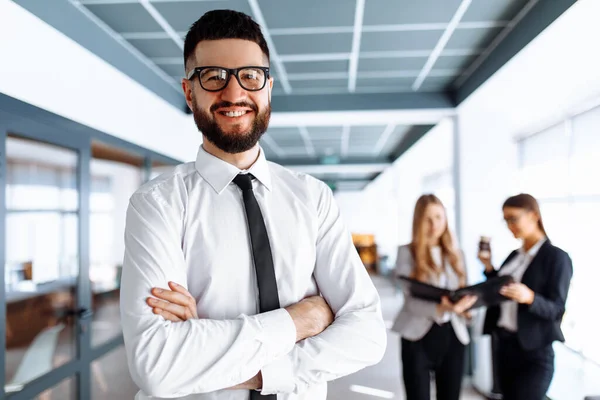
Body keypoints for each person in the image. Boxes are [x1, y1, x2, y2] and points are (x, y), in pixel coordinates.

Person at [119, 9, 386, 400]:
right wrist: (299, 321)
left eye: (250, 75)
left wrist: (220, 358)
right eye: (213, 77)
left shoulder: (313, 198)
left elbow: (367, 334)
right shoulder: (157, 203)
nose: (233, 93)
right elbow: (158, 365)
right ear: (188, 91)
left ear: (268, 86)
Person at [479, 194, 573, 400]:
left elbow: (557, 309)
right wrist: (488, 267)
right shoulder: (515, 256)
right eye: (506, 220)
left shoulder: (556, 258)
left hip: (534, 353)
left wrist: (530, 297)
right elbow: (500, 290)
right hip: (505, 345)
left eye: (513, 218)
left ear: (534, 215)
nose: (510, 225)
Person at [391, 194, 476, 400]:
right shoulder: (406, 252)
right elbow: (410, 301)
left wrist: (467, 306)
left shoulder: (458, 255)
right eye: (428, 219)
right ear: (418, 221)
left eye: (439, 217)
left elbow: (466, 291)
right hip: (418, 336)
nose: (434, 224)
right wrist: (443, 308)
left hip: (453, 336)